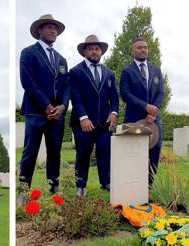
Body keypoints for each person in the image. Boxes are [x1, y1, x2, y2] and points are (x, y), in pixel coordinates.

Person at [18, 14, 70, 196]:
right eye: (49, 27)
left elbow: (66, 86)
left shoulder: (62, 60)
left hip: (57, 115)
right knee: (30, 153)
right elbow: (27, 82)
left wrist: (62, 106)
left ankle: (53, 189)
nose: (53, 30)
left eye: (55, 28)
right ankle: (23, 191)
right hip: (36, 112)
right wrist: (47, 105)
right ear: (39, 30)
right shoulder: (29, 53)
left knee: (54, 153)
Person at [69, 35, 119, 197]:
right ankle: (80, 186)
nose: (94, 52)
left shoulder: (109, 73)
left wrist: (114, 113)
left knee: (105, 153)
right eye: (91, 48)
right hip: (83, 123)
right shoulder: (76, 72)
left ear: (101, 52)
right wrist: (83, 117)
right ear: (85, 51)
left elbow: (114, 97)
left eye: (97, 49)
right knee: (83, 155)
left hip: (104, 124)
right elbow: (75, 96)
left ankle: (106, 183)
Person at [120, 37, 164, 185]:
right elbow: (125, 94)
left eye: (145, 47)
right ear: (133, 50)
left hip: (154, 117)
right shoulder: (127, 71)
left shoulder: (156, 70)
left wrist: (152, 112)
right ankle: (134, 182)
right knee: (133, 150)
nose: (143, 49)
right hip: (134, 116)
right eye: (139, 47)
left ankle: (149, 183)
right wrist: (145, 107)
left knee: (155, 148)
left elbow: (160, 93)